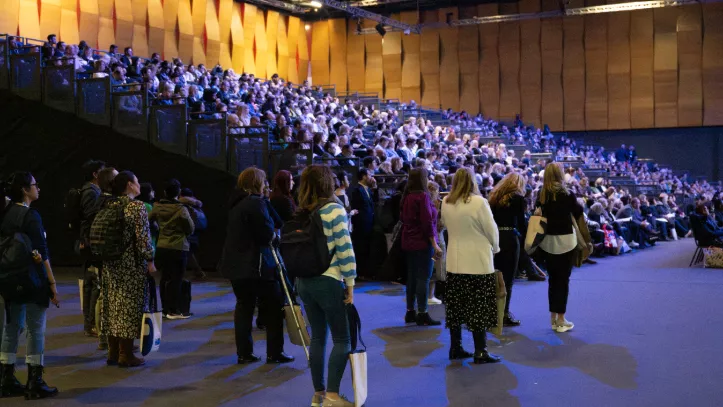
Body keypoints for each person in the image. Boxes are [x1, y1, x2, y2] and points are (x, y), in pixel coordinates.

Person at [294, 165, 357, 407]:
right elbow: (345, 249)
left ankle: (318, 393)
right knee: (343, 339)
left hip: (304, 282)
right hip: (329, 280)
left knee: (318, 337)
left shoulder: (301, 212)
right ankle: (332, 395)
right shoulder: (334, 210)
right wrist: (350, 282)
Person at [218, 168, 294, 365]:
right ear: (258, 183)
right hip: (259, 266)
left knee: (244, 308)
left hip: (237, 267)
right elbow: (269, 232)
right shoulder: (256, 204)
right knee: (274, 309)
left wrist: (266, 200)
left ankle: (244, 353)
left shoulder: (236, 204)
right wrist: (266, 202)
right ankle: (275, 353)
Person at [0, 172, 59, 399]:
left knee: (12, 326)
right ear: (25, 190)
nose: (39, 189)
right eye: (35, 185)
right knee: (36, 329)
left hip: (8, 278)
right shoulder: (30, 216)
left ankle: (6, 379)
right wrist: (52, 283)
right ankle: (35, 381)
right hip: (32, 280)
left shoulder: (4, 214)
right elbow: (41, 253)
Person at [441, 168, 501, 364]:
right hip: (477, 261)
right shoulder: (479, 202)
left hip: (454, 261)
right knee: (479, 307)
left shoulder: (446, 201)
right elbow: (491, 230)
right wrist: (496, 247)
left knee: (456, 307)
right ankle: (480, 351)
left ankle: (455, 347)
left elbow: (446, 226)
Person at [100, 171, 156, 368]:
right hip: (130, 264)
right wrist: (150, 259)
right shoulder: (136, 206)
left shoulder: (110, 204)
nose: (139, 185)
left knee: (113, 305)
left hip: (110, 262)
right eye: (137, 181)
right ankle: (126, 354)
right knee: (129, 307)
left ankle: (113, 352)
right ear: (130, 185)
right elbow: (143, 239)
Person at [536, 163, 583, 333]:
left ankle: (553, 318)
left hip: (547, 242)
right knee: (563, 281)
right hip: (565, 242)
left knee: (552, 280)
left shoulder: (541, 194)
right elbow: (578, 212)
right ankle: (561, 319)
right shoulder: (567, 193)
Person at [401, 168, 443, 326]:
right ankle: (423, 313)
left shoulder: (407, 196)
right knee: (424, 278)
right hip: (423, 243)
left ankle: (410, 312)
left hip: (408, 242)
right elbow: (427, 223)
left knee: (412, 277)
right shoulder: (423, 196)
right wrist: (435, 244)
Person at [150, 180, 195, 319]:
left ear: (164, 192)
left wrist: (159, 229)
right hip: (178, 247)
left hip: (162, 246)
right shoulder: (181, 209)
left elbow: (148, 221)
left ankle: (164, 309)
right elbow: (190, 228)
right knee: (176, 279)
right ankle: (173, 310)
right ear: (179, 193)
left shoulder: (157, 207)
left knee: (164, 278)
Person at [489, 172, 527, 327]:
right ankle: (504, 314)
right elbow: (521, 224)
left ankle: (492, 313)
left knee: (494, 276)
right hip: (510, 237)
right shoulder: (518, 198)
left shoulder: (493, 196)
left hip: (494, 237)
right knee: (508, 279)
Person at [77, 159, 106, 338]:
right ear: (96, 174)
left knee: (91, 284)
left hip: (88, 242)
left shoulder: (91, 190)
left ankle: (90, 324)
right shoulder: (91, 191)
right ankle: (91, 324)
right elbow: (89, 217)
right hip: (91, 244)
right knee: (93, 284)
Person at [350, 168, 376, 279]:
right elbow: (356, 208)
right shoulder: (357, 190)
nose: (371, 177)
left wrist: (375, 188)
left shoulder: (369, 190)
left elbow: (374, 203)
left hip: (369, 223)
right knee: (361, 248)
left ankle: (366, 271)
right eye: (369, 174)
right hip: (361, 225)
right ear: (364, 176)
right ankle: (360, 272)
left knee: (367, 248)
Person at [427, 181, 444, 305]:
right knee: (434, 268)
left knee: (431, 268)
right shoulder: (435, 205)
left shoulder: (424, 203)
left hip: (430, 238)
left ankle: (429, 295)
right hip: (436, 239)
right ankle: (430, 295)